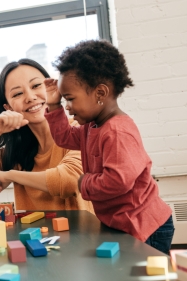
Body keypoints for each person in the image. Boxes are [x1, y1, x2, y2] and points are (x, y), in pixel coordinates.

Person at [44, 39, 174, 254]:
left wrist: (83, 182)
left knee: (145, 274)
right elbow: (65, 137)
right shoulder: (92, 126)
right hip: (124, 223)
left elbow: (117, 182)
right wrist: (53, 104)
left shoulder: (117, 131)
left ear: (100, 93)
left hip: (144, 226)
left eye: (70, 99)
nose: (67, 106)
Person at [0, 58, 93, 212]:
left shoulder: (79, 130)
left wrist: (11, 175)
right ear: (8, 107)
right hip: (34, 236)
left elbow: (70, 180)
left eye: (36, 85)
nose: (30, 97)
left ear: (52, 87)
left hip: (82, 235)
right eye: (17, 93)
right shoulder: (18, 150)